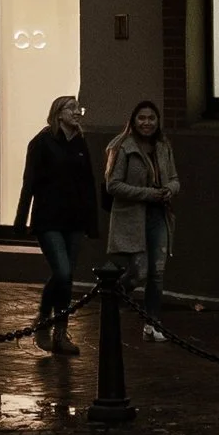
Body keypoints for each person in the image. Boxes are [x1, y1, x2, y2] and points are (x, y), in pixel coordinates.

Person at [13, 92, 98, 353]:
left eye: (77, 108)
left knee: (67, 276)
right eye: (71, 108)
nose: (76, 112)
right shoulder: (42, 142)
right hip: (48, 218)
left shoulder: (80, 143)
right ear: (58, 113)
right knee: (61, 271)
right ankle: (43, 320)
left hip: (74, 219)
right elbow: (30, 182)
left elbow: (88, 184)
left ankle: (61, 333)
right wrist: (21, 219)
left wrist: (91, 222)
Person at [102, 101, 180, 338]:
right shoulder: (122, 147)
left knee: (157, 271)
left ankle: (152, 323)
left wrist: (170, 189)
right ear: (133, 121)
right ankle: (111, 295)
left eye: (151, 118)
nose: (147, 123)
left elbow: (175, 177)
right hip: (133, 217)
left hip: (159, 215)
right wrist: (148, 193)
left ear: (158, 122)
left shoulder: (163, 146)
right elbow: (112, 185)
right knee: (140, 272)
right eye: (142, 118)